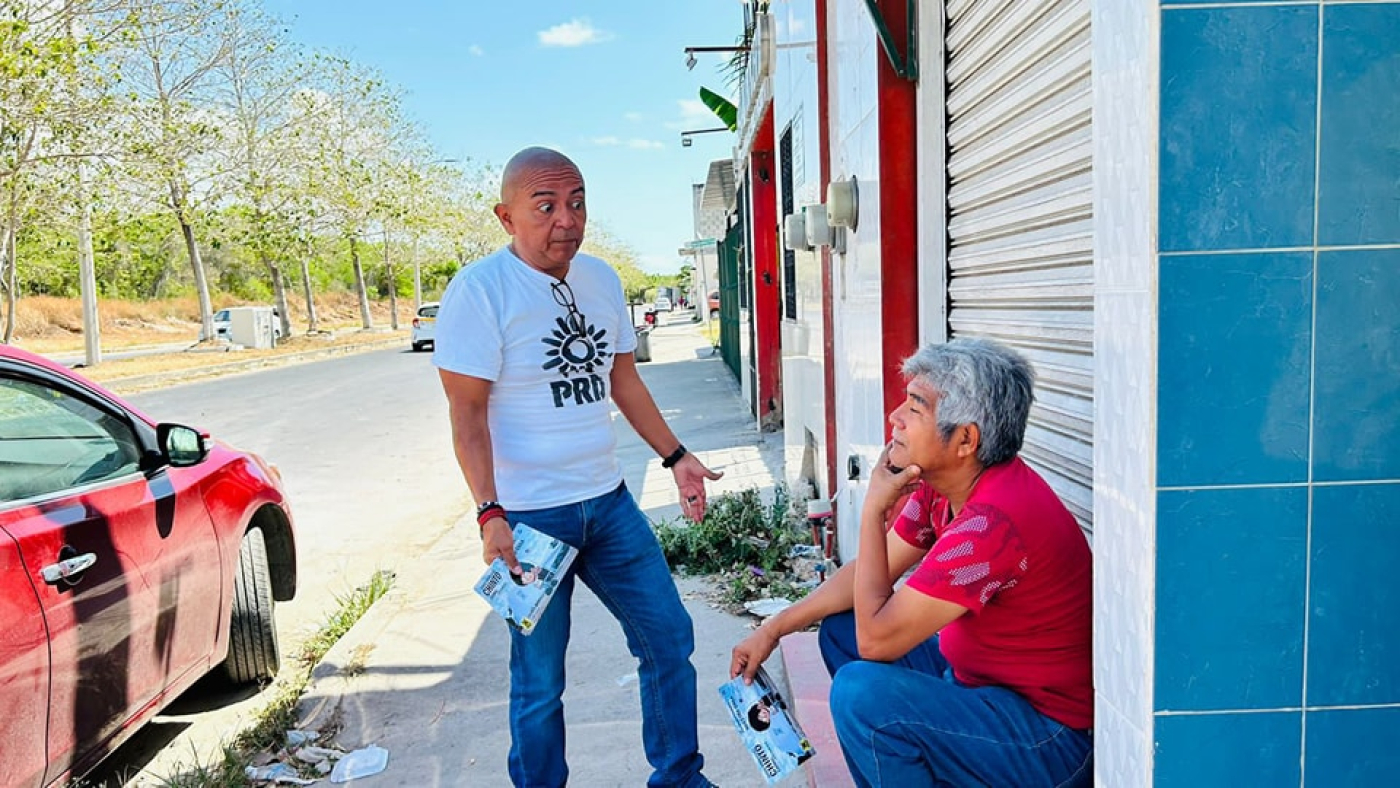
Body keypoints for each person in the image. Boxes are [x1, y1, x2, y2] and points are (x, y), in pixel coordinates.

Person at [434, 146, 722, 788]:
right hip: (530, 521)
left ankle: (679, 777)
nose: (566, 219)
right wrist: (489, 513)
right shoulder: (480, 292)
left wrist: (675, 457)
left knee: (669, 640)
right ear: (507, 217)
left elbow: (625, 381)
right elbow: (467, 417)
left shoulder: (601, 279)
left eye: (577, 202)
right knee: (539, 682)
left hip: (611, 505)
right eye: (546, 206)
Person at [729, 338, 1093, 787]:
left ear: (965, 439)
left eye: (916, 407)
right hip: (978, 690)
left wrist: (872, 511)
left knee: (861, 695)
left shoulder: (992, 525)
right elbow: (864, 580)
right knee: (841, 630)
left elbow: (878, 642)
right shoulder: (943, 490)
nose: (895, 418)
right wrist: (775, 627)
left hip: (1046, 743)